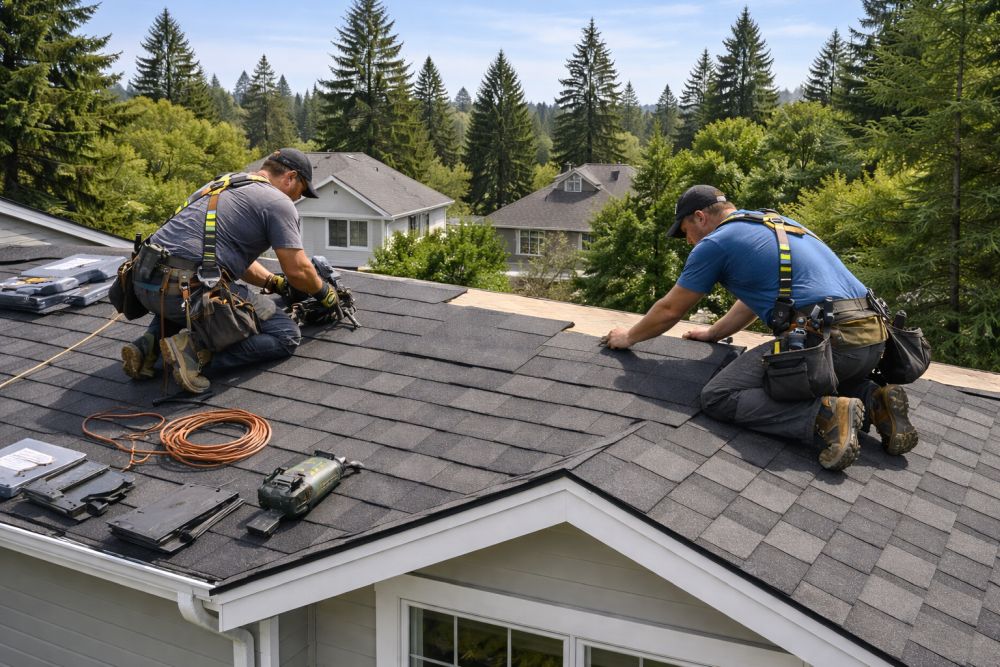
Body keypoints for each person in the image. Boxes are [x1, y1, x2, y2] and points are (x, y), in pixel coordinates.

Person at [604, 185, 917, 471]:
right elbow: (756, 301)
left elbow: (671, 309)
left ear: (700, 217)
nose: (688, 241)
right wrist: (714, 333)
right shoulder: (776, 224)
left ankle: (824, 416)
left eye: (686, 231)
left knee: (718, 395)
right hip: (875, 341)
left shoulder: (716, 243)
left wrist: (628, 336)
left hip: (831, 342)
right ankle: (876, 401)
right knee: (804, 369)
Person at [120, 147, 341, 394]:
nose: (295, 200)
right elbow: (297, 270)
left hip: (143, 284)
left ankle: (146, 349)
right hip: (183, 290)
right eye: (298, 192)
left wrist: (273, 283)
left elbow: (234, 261)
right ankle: (195, 353)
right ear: (290, 177)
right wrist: (326, 293)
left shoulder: (221, 185)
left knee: (189, 295)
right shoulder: (278, 202)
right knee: (284, 334)